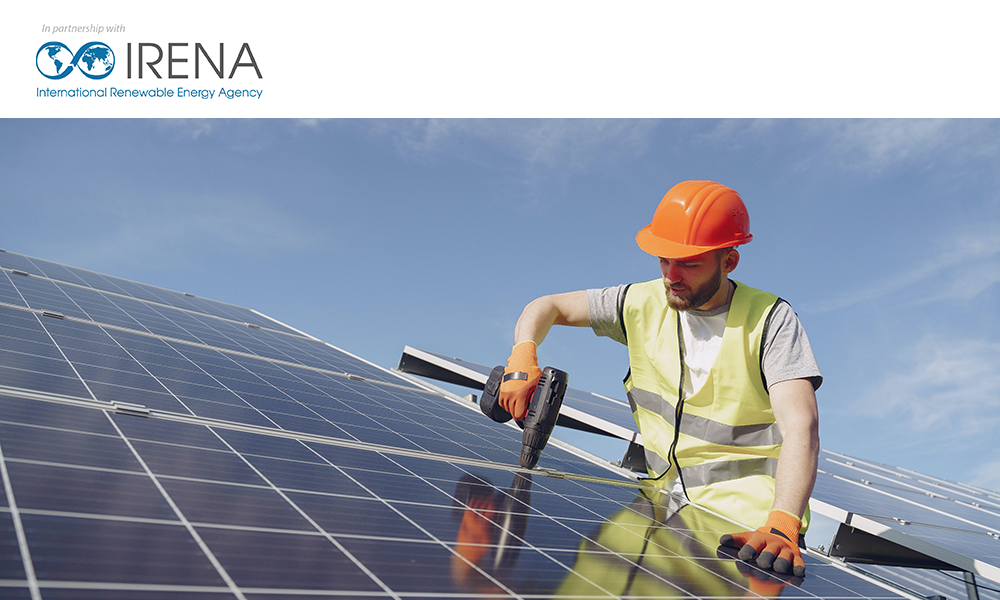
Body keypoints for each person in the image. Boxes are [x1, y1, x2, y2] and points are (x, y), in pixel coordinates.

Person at [497, 180, 821, 577]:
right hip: (662, 511)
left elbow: (801, 425)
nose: (672, 275)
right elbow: (546, 306)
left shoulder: (771, 320)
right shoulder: (640, 302)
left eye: (689, 263)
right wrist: (522, 353)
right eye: (665, 260)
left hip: (748, 536)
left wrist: (783, 522)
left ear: (729, 261)